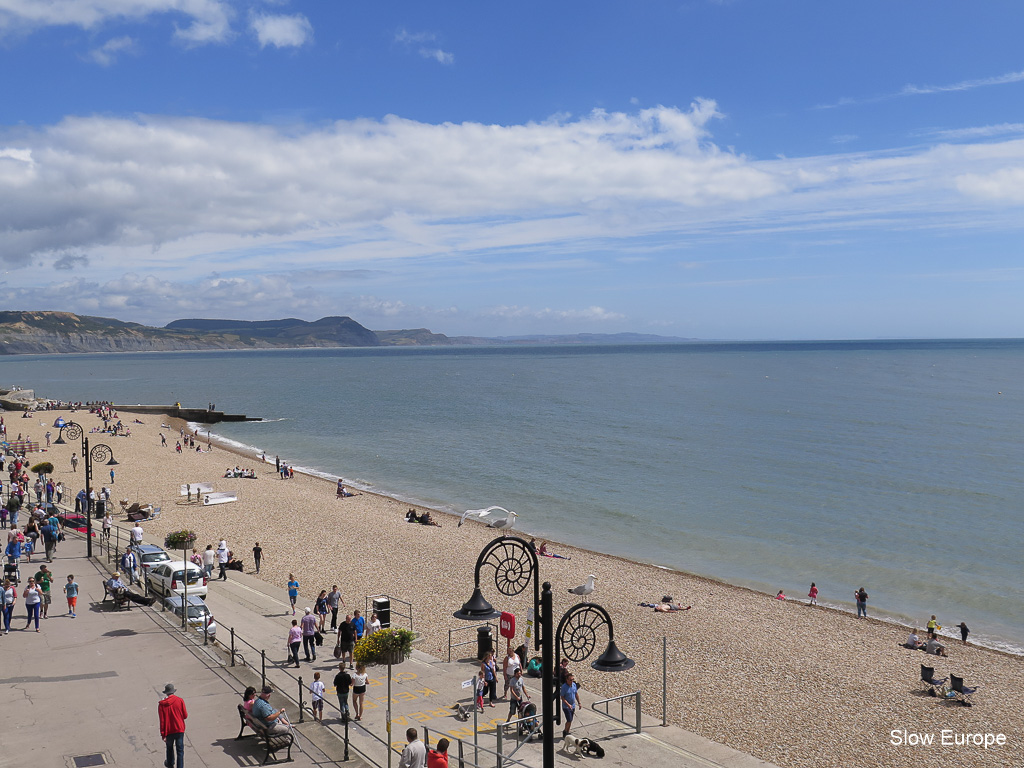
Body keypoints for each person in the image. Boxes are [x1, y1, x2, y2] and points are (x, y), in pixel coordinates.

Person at [159, 683, 188, 768]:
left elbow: (162, 721)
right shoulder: (180, 700)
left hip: (168, 730)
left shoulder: (162, 705)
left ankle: (170, 763)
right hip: (179, 729)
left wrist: (163, 734)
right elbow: (185, 715)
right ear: (173, 692)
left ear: (166, 693)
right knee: (180, 750)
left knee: (169, 748)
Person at [560, 671, 581, 737]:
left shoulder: (574, 685)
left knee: (571, 719)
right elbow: (562, 697)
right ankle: (565, 731)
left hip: (573, 705)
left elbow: (576, 694)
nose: (571, 681)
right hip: (566, 707)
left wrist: (579, 703)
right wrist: (568, 704)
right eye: (570, 680)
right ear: (567, 680)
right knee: (569, 720)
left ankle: (568, 731)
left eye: (572, 680)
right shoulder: (564, 687)